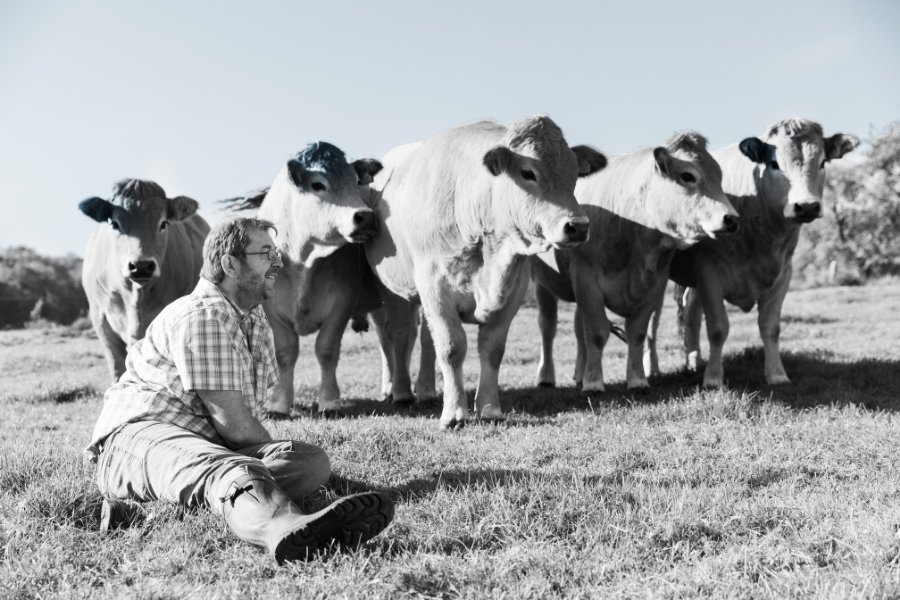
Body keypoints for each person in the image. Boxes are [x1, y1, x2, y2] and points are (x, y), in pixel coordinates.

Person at [85, 217, 393, 563]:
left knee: (309, 461)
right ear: (230, 264)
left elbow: (241, 433)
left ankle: (156, 510)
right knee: (234, 470)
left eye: (277, 254)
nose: (279, 262)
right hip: (142, 438)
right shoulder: (203, 314)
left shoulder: (252, 317)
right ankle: (284, 529)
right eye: (265, 254)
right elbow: (235, 426)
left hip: (208, 447)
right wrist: (258, 458)